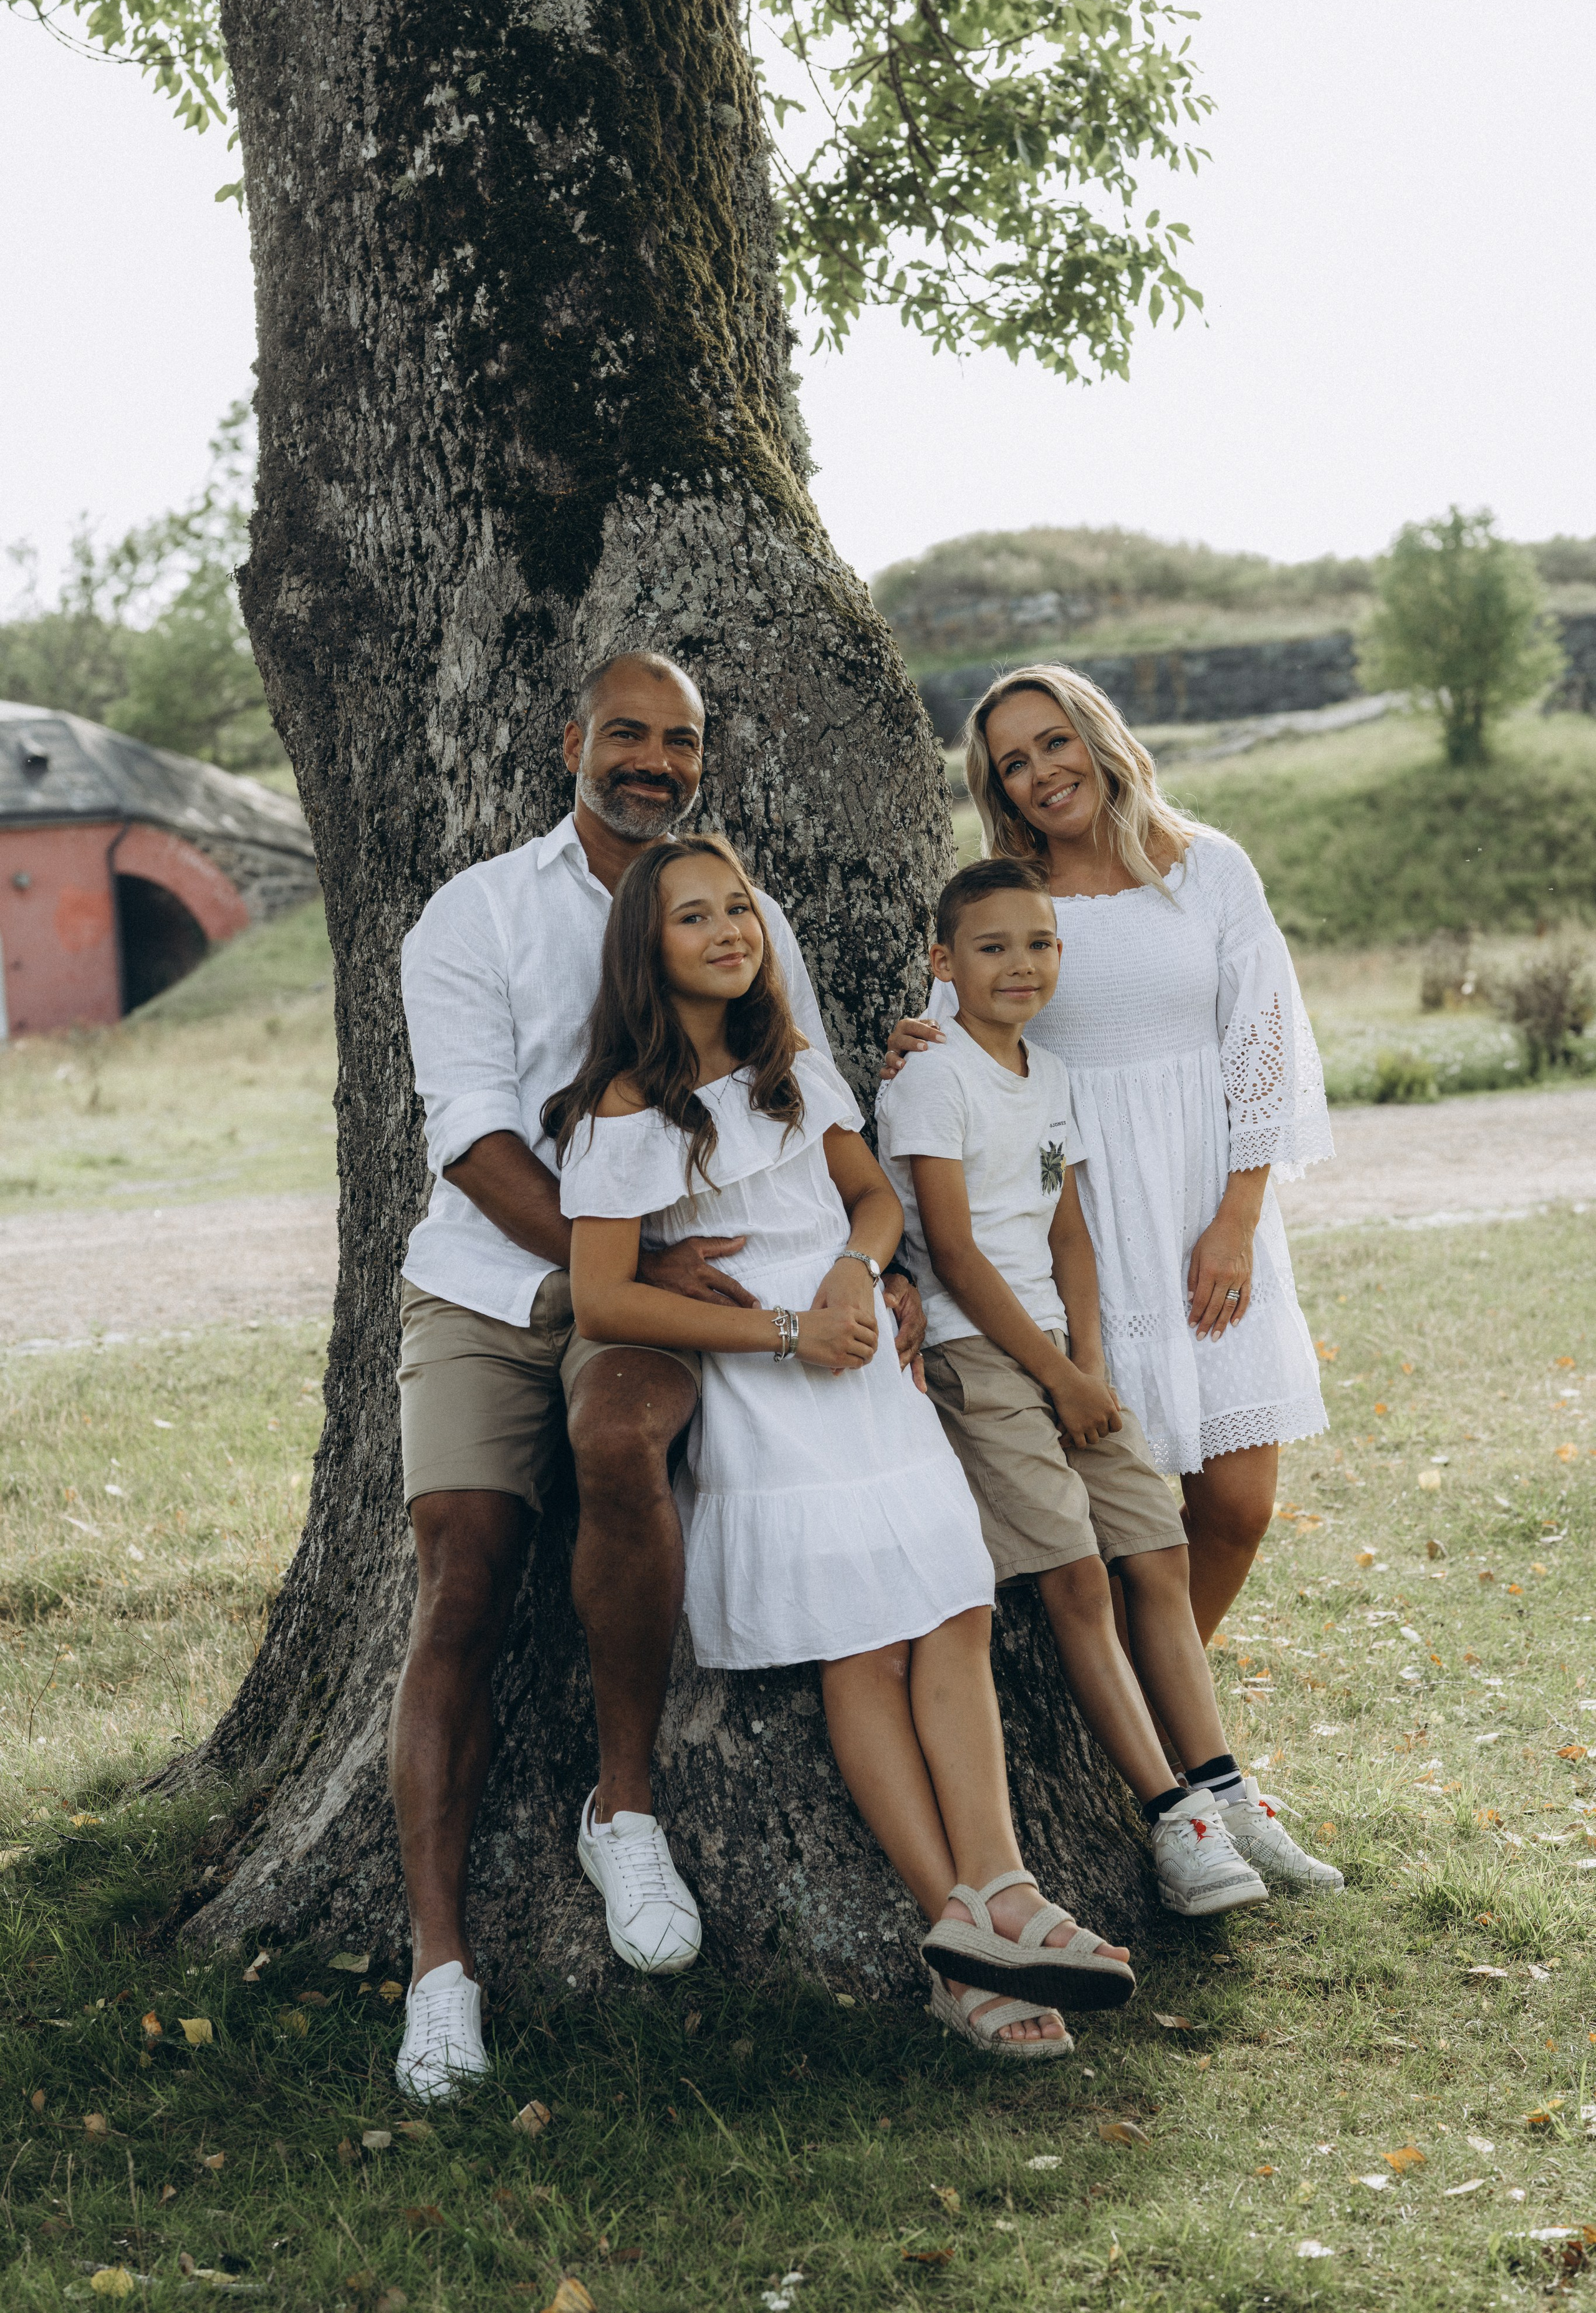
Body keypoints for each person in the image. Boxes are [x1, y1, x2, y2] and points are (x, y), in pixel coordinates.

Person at [390, 650, 929, 2102]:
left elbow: (806, 1096)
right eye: (624, 732)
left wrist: (874, 1266)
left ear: (699, 762)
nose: (649, 758)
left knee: (623, 1445)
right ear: (572, 741)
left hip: (683, 1293)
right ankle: (438, 1969)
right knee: (462, 1569)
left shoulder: (742, 907)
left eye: (676, 741)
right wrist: (597, 1273)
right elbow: (468, 1132)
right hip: (499, 1278)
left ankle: (620, 1804)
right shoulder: (478, 912)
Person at [550, 831, 1142, 2059]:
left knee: (954, 1606)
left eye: (739, 910)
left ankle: (1004, 1888)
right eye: (693, 917)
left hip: (861, 1347)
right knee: (861, 1646)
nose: (727, 932)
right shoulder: (625, 1105)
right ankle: (955, 1940)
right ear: (644, 949)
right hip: (766, 1377)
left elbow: (871, 1198)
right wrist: (779, 1329)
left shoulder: (793, 1063)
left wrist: (849, 1274)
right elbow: (602, 1299)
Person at [877, 857, 1342, 1907]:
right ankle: (1172, 1825)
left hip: (1063, 1357)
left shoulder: (1048, 1076)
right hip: (979, 1357)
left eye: (1041, 944)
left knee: (1161, 1552)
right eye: (992, 947)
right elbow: (953, 1252)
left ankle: (1223, 1792)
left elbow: (1070, 1232)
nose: (1022, 964)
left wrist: (1090, 1366)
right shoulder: (930, 1075)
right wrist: (1053, 1373)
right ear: (942, 964)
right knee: (1077, 1577)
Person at [887, 664, 1333, 1668]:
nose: (1042, 773)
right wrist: (917, 1040)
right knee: (1127, 1517)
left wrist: (1238, 1221)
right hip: (1078, 1223)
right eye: (1013, 764)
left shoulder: (1209, 868)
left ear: (1098, 735)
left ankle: (1172, 1730)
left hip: (1204, 1209)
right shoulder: (1015, 898)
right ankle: (1157, 1750)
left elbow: (1263, 1046)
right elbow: (964, 1038)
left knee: (1235, 1503)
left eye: (1055, 742)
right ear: (997, 791)